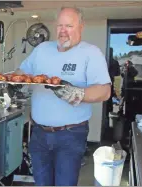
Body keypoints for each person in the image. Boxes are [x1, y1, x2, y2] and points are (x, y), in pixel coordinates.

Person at [15, 7, 111, 186]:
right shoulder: (42, 49)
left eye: (69, 25)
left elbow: (105, 91)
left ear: (81, 27)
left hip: (70, 136)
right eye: (60, 25)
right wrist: (13, 80)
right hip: (39, 134)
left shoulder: (91, 53)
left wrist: (78, 93)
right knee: (41, 183)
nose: (63, 31)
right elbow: (23, 72)